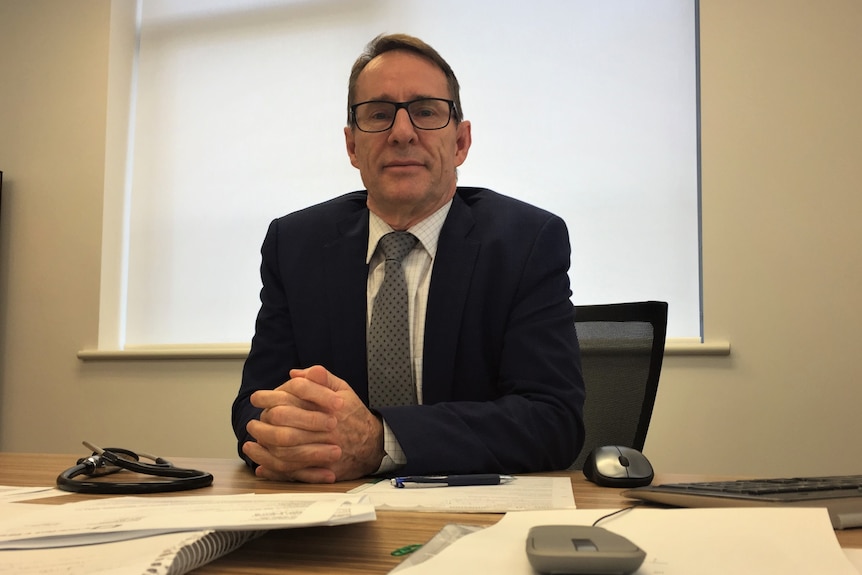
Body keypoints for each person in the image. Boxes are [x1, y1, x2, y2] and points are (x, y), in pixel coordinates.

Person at [231, 33, 585, 483]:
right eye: (378, 114)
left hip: (475, 515)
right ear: (352, 146)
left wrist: (382, 441)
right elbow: (254, 405)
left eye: (425, 112)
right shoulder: (294, 244)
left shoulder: (526, 242)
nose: (402, 133)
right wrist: (286, 435)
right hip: (329, 510)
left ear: (460, 142)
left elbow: (552, 422)